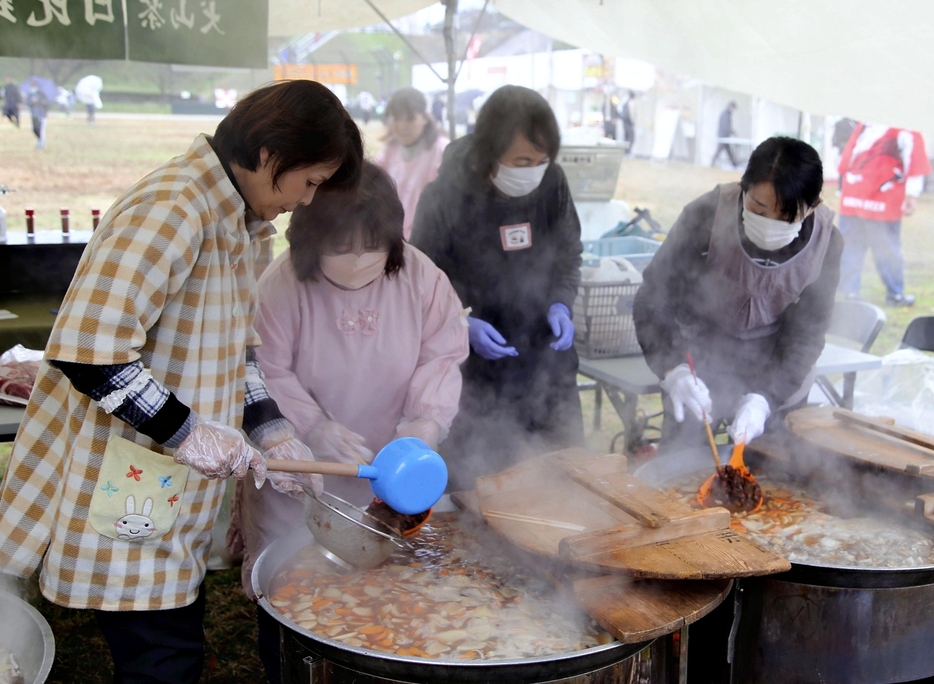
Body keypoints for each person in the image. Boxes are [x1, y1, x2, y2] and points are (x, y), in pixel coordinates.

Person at [0, 80, 363, 684]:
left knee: (170, 640)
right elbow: (91, 351)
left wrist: (273, 433)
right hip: (121, 479)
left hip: (157, 486)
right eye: (312, 181)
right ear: (272, 153)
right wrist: (189, 431)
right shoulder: (173, 207)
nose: (307, 200)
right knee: (164, 661)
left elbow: (237, 353)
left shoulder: (236, 224)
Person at [231, 161, 468, 681]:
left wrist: (424, 427)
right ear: (310, 240)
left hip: (390, 461)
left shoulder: (423, 279)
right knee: (290, 574)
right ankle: (285, 663)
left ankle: (385, 657)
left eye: (372, 247)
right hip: (303, 466)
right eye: (340, 248)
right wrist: (314, 427)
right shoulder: (282, 284)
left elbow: (442, 355)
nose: (358, 261)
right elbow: (263, 367)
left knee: (388, 574)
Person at [410, 85, 584, 491]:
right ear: (490, 152)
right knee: (481, 489)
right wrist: (461, 322)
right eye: (523, 160)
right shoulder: (444, 196)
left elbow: (569, 254)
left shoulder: (552, 184)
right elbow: (420, 280)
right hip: (474, 373)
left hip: (547, 363)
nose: (533, 171)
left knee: (566, 481)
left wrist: (561, 304)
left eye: (542, 161)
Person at [633, 136, 843, 451]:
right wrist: (673, 368)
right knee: (679, 467)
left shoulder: (826, 245)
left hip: (776, 368)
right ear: (743, 186)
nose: (768, 222)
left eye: (786, 217)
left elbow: (806, 335)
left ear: (813, 207)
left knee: (770, 474)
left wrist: (767, 398)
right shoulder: (706, 215)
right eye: (758, 207)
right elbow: (654, 298)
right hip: (699, 362)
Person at [836, 123, 930, 307]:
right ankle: (894, 294)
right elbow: (914, 160)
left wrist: (843, 189)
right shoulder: (905, 126)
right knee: (886, 249)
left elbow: (846, 160)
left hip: (854, 197)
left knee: (852, 247)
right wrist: (912, 195)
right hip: (881, 201)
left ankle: (850, 292)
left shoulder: (865, 124)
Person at [375, 87, 449, 240]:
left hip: (428, 243)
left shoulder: (442, 151)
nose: (402, 126)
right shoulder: (389, 151)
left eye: (410, 119)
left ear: (424, 118)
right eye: (396, 118)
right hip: (392, 241)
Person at [711, 101, 738, 168]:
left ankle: (734, 164)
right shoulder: (726, 115)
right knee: (719, 150)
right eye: (733, 108)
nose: (733, 110)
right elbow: (726, 126)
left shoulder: (726, 114)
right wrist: (734, 133)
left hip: (724, 136)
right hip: (723, 136)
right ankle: (712, 163)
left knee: (728, 151)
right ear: (730, 107)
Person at [25, 80, 49, 150]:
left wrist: (39, 101)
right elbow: (27, 104)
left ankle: (41, 144)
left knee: (41, 130)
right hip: (34, 114)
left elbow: (46, 103)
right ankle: (40, 141)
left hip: (41, 114)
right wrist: (32, 102)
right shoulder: (30, 94)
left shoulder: (41, 94)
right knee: (34, 129)